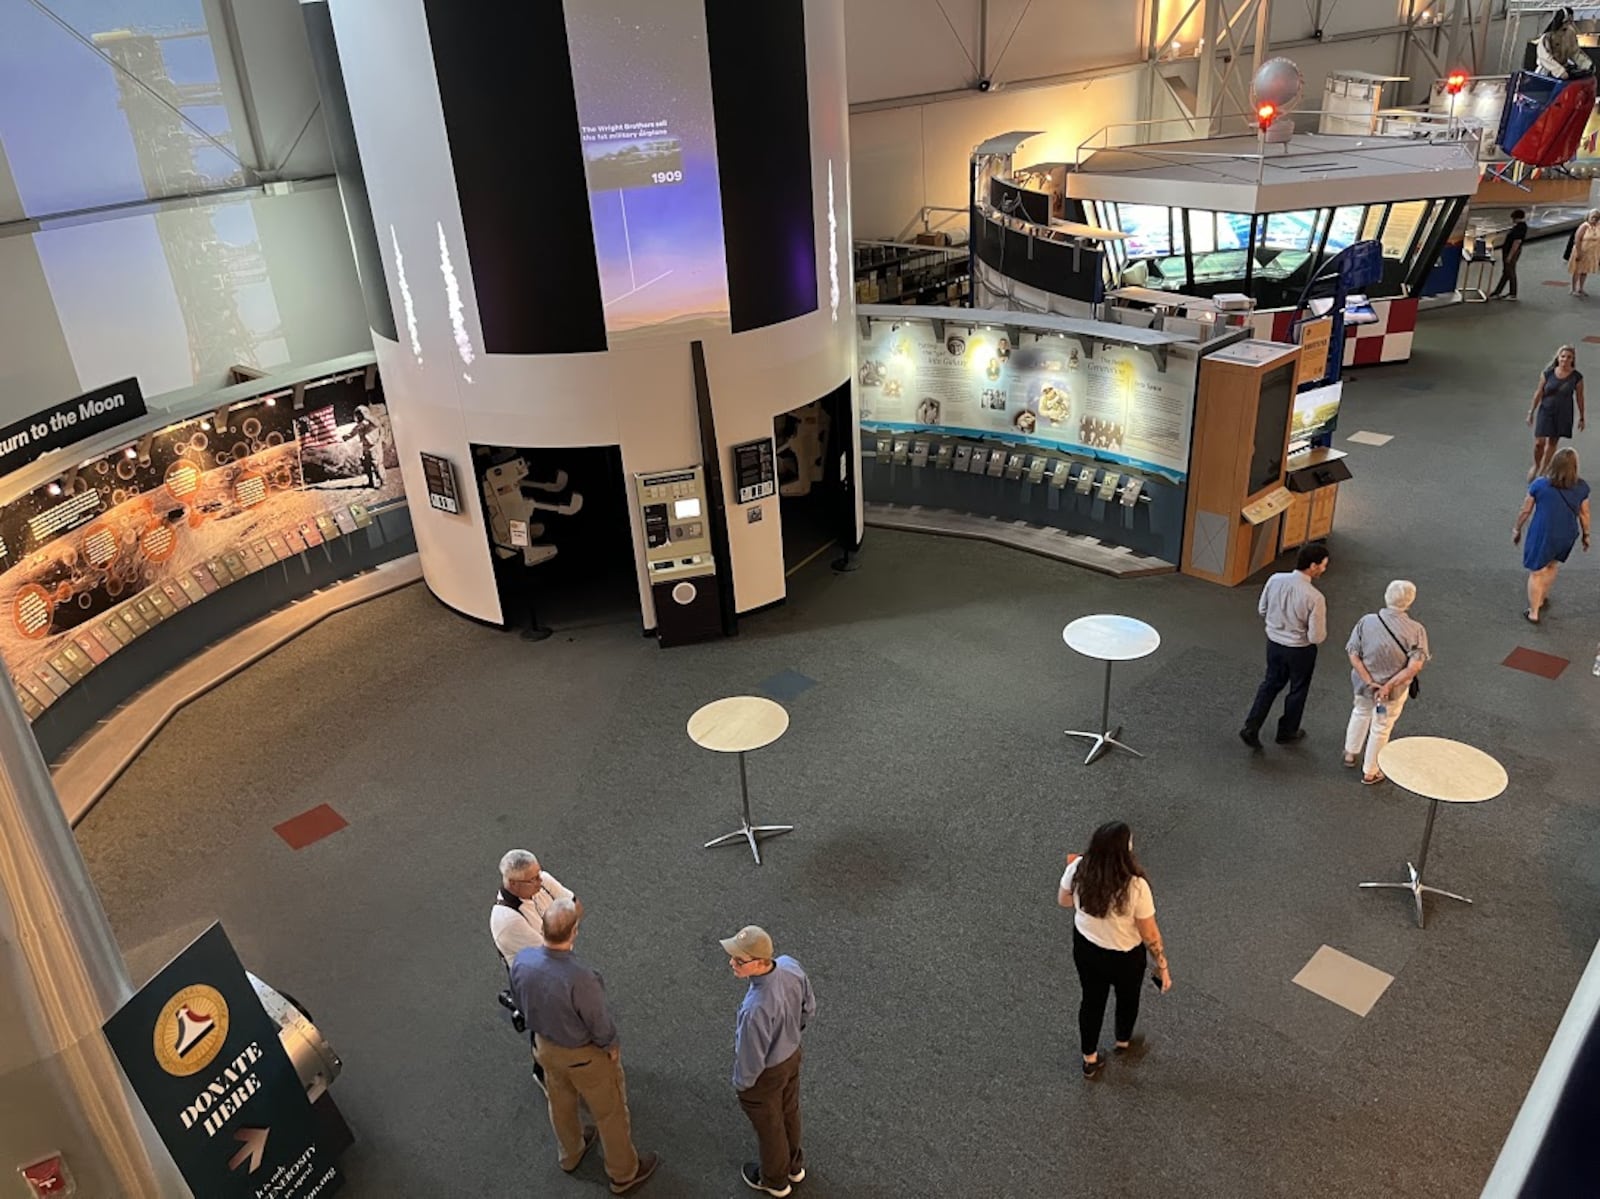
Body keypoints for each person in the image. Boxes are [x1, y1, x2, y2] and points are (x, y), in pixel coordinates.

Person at [510, 901, 659, 1195]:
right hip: (582, 1056)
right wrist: (610, 1045)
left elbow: (518, 997)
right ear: (574, 931)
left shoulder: (523, 960)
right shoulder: (581, 976)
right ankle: (623, 1173)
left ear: (542, 928)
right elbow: (597, 1020)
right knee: (610, 1113)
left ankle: (571, 1153)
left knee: (560, 1102)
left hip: (545, 1047)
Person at [1057, 822, 1171, 1081]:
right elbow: (1150, 934)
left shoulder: (1078, 868)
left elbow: (1063, 901)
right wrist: (1161, 965)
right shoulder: (1136, 887)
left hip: (1087, 948)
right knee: (1128, 997)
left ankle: (1089, 1059)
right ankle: (1122, 1041)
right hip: (1125, 957)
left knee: (1091, 1001)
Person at [721, 926, 814, 1199]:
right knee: (789, 1110)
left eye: (740, 960)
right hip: (792, 1055)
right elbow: (809, 1008)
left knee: (769, 1125)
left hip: (767, 1073)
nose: (732, 963)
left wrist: (743, 1085)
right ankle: (794, 1165)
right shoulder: (790, 966)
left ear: (760, 962)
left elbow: (751, 1057)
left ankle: (775, 1180)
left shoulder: (755, 1008)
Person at [491, 850, 579, 1094]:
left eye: (539, 873)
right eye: (533, 879)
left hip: (556, 968)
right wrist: (566, 932)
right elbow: (550, 956)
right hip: (538, 981)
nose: (541, 881)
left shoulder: (540, 881)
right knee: (545, 1028)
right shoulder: (507, 921)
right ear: (513, 884)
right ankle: (542, 1073)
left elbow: (575, 905)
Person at [1239, 542, 1329, 749]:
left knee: (1270, 683)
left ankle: (1251, 726)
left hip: (1274, 644)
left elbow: (1262, 609)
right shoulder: (1315, 597)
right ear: (1313, 566)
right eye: (1323, 565)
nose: (1324, 569)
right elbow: (1317, 636)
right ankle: (1287, 731)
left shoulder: (1275, 579)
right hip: (1300, 650)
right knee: (1298, 689)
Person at [1343, 581, 1430, 785]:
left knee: (1360, 712)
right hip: (1392, 691)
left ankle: (1350, 752)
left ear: (1386, 596)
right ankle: (1371, 771)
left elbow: (1353, 653)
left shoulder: (1367, 621)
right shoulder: (1416, 630)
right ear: (1410, 602)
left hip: (1364, 685)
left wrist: (1369, 681)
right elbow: (1414, 666)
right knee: (1381, 726)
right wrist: (1386, 686)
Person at [1514, 447, 1592, 622]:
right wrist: (1586, 535)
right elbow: (1584, 514)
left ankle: (1533, 612)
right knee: (1552, 565)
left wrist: (1517, 529)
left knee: (1536, 571)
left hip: (1543, 533)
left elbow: (1525, 511)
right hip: (1566, 533)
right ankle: (1541, 598)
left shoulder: (1540, 484)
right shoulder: (1581, 487)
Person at [1527, 345, 1587, 481]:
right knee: (1539, 443)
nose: (1565, 359)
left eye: (1569, 357)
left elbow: (1580, 398)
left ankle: (1542, 471)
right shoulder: (1548, 373)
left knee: (1552, 443)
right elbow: (1539, 393)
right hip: (1546, 410)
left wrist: (1582, 417)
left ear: (1573, 360)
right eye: (1563, 356)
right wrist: (1531, 411)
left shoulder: (1576, 377)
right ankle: (1536, 465)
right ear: (1558, 357)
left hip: (1563, 413)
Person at [1491, 209, 1527, 300]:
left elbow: (1516, 242)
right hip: (1510, 251)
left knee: (1510, 272)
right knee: (1506, 272)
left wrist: (1510, 256)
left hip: (1511, 252)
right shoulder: (1519, 227)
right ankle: (1497, 291)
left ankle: (1512, 293)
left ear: (1517, 218)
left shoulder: (1520, 228)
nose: (1512, 220)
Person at [1569, 209, 1600, 296]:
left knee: (1585, 270)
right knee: (1577, 270)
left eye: (1597, 218)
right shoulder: (1584, 226)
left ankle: (1581, 288)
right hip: (1582, 250)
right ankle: (1573, 288)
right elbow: (1577, 239)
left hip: (1591, 253)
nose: (1595, 219)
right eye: (1593, 217)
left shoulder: (1598, 226)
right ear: (1588, 217)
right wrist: (1579, 252)